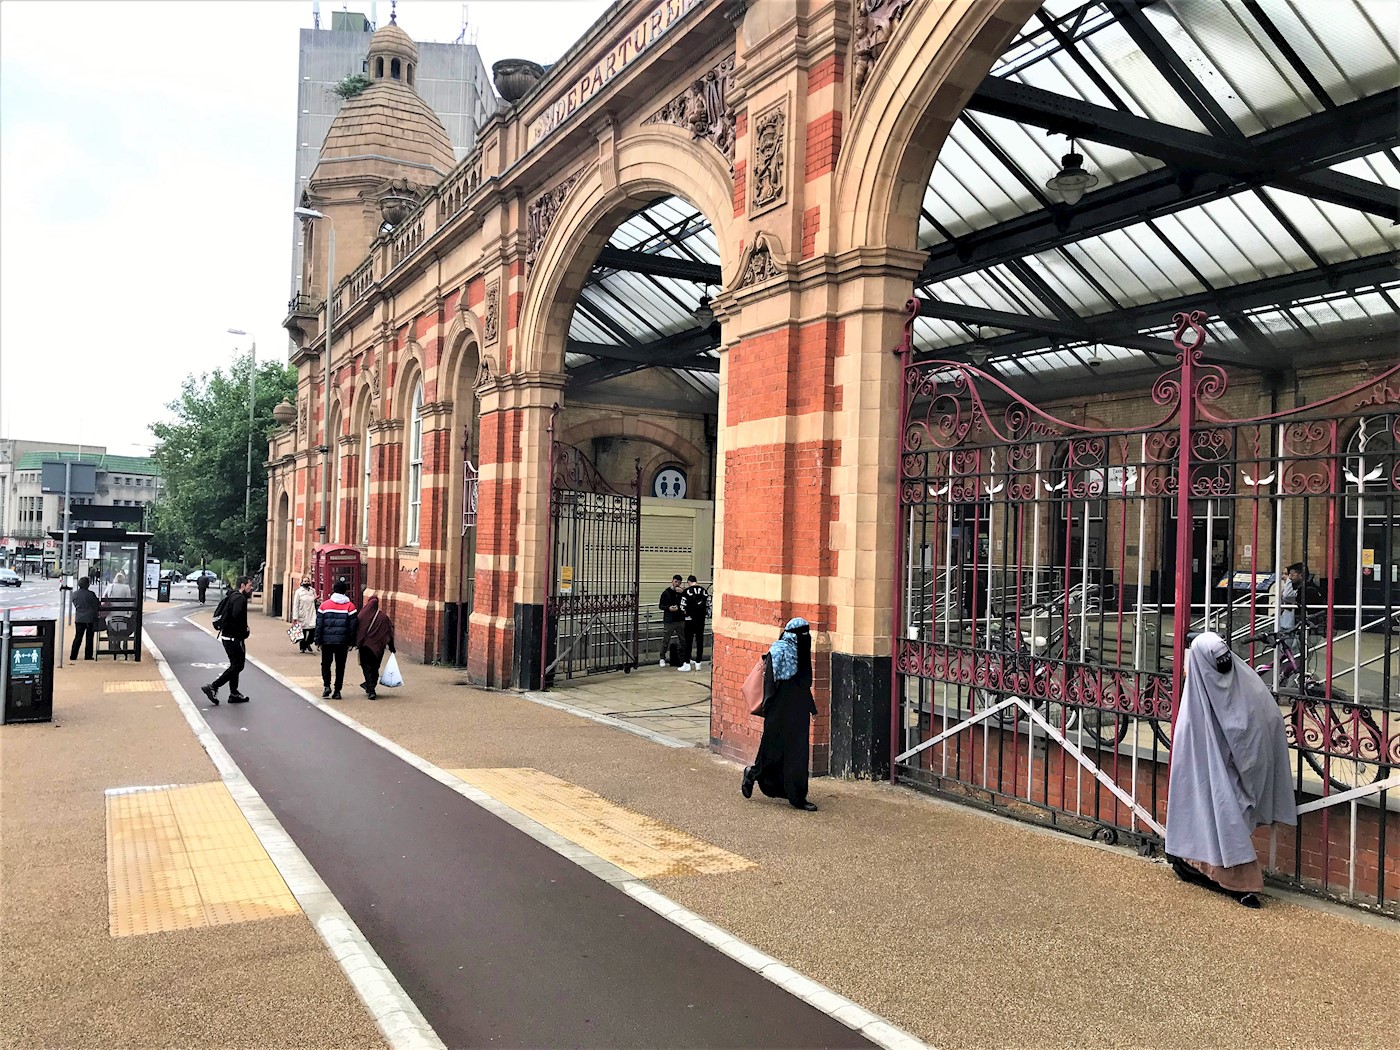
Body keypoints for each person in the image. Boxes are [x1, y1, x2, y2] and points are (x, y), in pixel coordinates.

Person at [1164, 631, 1297, 909]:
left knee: (1226, 812)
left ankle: (1222, 872)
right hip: (1226, 774)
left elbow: (1259, 727)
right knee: (1220, 812)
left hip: (1237, 772)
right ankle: (1227, 875)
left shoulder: (1238, 690)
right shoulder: (1240, 689)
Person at [741, 618, 819, 811]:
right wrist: (769, 710)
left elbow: (803, 684)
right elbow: (770, 683)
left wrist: (811, 707)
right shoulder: (778, 651)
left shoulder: (802, 652)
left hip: (799, 710)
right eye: (802, 633)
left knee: (798, 752)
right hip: (778, 709)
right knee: (772, 749)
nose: (806, 637)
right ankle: (752, 773)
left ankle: (797, 796)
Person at [201, 576, 254, 705]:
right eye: (249, 585)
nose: (251, 588)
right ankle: (213, 686)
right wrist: (244, 631)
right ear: (243, 585)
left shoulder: (232, 596)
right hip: (234, 638)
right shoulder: (240, 599)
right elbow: (236, 616)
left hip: (227, 636)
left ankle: (234, 693)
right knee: (238, 665)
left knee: (235, 665)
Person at [315, 577, 359, 699]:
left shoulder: (324, 605)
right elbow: (353, 626)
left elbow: (319, 625)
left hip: (327, 641)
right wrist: (352, 642)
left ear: (333, 590)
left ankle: (326, 686)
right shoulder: (350, 606)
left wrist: (318, 640)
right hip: (342, 642)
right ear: (345, 591)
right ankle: (337, 691)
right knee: (340, 666)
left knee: (326, 664)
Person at [355, 594, 396, 700]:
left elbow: (357, 629)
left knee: (366, 668)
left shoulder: (362, 615)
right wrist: (392, 647)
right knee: (375, 668)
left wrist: (355, 643)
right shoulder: (384, 617)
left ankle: (371, 689)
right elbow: (389, 633)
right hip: (379, 648)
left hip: (365, 646)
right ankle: (371, 686)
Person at [679, 575, 709, 671]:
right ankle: (698, 662)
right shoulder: (704, 591)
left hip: (689, 619)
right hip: (701, 619)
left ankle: (687, 663)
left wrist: (684, 614)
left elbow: (682, 606)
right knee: (700, 640)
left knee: (688, 641)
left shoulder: (687, 591)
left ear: (689, 582)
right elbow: (708, 605)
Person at [658, 575, 686, 667]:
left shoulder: (682, 593)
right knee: (666, 639)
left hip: (680, 619)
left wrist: (683, 593)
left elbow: (687, 602)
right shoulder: (666, 592)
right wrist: (669, 608)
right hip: (669, 620)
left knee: (683, 639)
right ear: (672, 581)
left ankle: (685, 657)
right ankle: (662, 657)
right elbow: (661, 605)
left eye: (679, 582)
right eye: (675, 582)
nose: (677, 584)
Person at [69, 576, 99, 661]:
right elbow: (96, 604)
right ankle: (88, 655)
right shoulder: (91, 594)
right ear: (87, 585)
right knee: (89, 637)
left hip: (79, 618)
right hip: (90, 618)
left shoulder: (75, 594)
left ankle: (73, 655)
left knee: (78, 637)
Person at [292, 576, 318, 653]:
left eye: (308, 581)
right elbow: (296, 605)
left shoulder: (312, 590)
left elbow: (315, 600)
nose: (306, 582)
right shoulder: (298, 592)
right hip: (302, 613)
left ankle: (308, 643)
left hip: (311, 613)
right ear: (302, 582)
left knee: (313, 631)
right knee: (303, 632)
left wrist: (316, 600)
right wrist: (295, 617)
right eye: (305, 581)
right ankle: (302, 648)